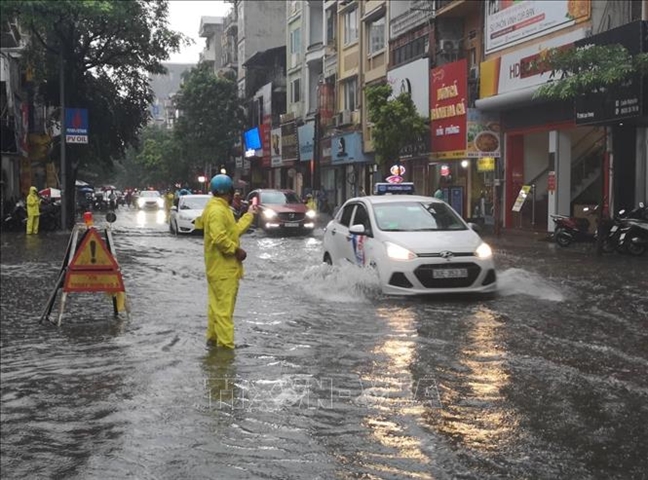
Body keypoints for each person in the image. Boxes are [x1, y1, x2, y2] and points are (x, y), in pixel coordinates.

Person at [196, 174, 258, 349]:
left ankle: (213, 339)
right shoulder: (217, 211)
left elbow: (232, 232)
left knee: (216, 308)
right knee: (224, 310)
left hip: (219, 269)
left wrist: (249, 216)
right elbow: (220, 238)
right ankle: (225, 347)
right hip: (223, 269)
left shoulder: (219, 209)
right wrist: (236, 250)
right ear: (230, 192)